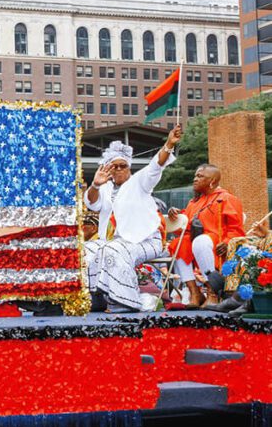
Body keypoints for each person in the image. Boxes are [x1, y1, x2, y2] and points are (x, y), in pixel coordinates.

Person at [83, 124, 182, 312]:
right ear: (109, 169)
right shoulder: (104, 189)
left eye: (123, 166)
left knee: (115, 250)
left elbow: (156, 165)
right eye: (114, 166)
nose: (119, 169)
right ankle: (96, 297)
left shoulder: (139, 182)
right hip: (111, 240)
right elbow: (91, 204)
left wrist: (169, 144)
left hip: (145, 241)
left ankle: (124, 301)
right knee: (86, 249)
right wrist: (95, 185)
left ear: (129, 167)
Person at [167, 164, 245, 308]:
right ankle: (195, 292)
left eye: (200, 176)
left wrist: (228, 242)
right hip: (198, 243)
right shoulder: (193, 203)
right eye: (195, 176)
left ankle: (212, 292)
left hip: (217, 242)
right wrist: (176, 218)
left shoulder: (227, 198)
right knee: (178, 243)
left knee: (200, 241)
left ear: (213, 181)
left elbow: (237, 229)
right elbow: (185, 230)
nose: (195, 179)